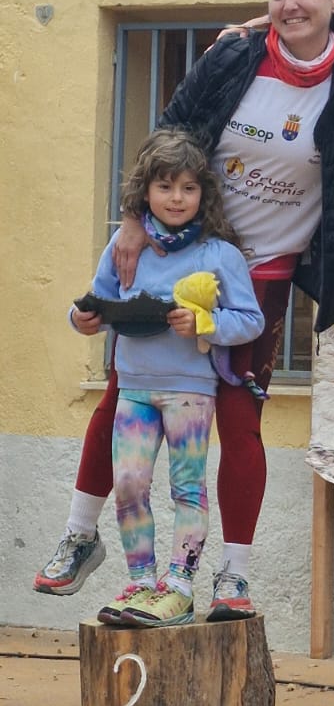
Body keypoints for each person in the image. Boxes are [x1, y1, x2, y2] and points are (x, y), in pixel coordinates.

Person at [35, 0, 334, 616]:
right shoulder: (234, 55)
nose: (289, 5)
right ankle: (78, 537)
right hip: (176, 260)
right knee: (121, 396)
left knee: (240, 424)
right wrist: (133, 218)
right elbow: (169, 134)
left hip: (262, 280)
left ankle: (232, 578)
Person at [72, 130, 266, 626]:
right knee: (130, 484)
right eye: (164, 187)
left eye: (188, 188)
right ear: (145, 193)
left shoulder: (219, 253)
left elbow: (250, 320)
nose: (176, 199)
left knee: (187, 488)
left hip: (190, 392)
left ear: (204, 193)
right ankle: (141, 582)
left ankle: (179, 585)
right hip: (133, 387)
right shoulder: (124, 244)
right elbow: (96, 299)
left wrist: (206, 323)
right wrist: (82, 319)